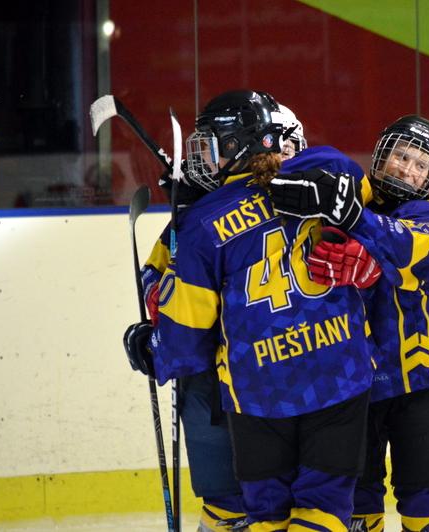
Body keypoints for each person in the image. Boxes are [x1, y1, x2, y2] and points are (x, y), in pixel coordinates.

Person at [125, 89, 376, 531]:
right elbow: (348, 173)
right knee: (323, 510)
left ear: (245, 144)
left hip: (258, 393)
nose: (201, 159)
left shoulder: (202, 224)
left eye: (212, 146)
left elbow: (185, 335)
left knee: (265, 516)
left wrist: (151, 349)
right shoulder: (319, 182)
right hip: (338, 379)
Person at [269, 115, 429, 532]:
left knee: (425, 502)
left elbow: (403, 245)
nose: (408, 169)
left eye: (421, 165)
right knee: (358, 502)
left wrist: (351, 219)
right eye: (402, 156)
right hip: (352, 385)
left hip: (417, 382)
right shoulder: (349, 191)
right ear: (382, 153)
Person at [131, 99, 310, 532]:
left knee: (250, 501)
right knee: (262, 501)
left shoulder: (206, 221)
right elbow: (157, 283)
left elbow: (169, 311)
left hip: (229, 388)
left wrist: (155, 349)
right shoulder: (315, 206)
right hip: (297, 386)